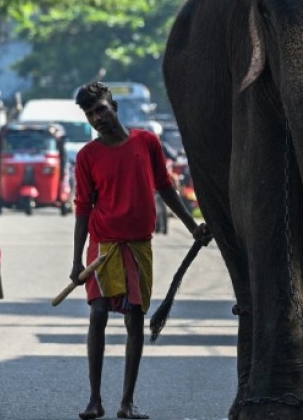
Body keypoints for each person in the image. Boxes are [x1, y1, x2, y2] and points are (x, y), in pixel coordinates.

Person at [69, 82, 210, 420]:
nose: (97, 117)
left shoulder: (146, 142)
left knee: (135, 318)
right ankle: (94, 400)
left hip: (139, 244)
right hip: (103, 244)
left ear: (113, 106)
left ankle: (127, 403)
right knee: (98, 314)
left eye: (100, 109)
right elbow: (82, 209)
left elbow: (165, 187)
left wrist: (193, 227)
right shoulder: (87, 156)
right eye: (90, 114)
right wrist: (76, 260)